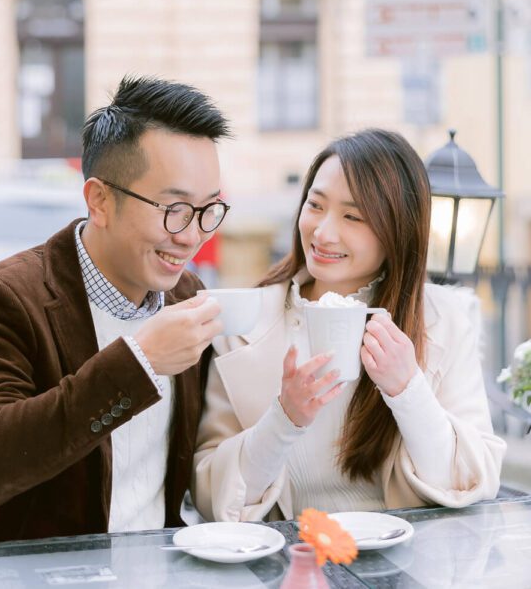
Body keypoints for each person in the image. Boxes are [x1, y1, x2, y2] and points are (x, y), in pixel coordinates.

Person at [0, 75, 231, 546]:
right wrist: (139, 362)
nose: (192, 235)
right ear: (100, 200)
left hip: (156, 568)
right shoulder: (0, 298)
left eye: (208, 209)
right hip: (19, 574)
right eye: (174, 208)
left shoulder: (185, 295)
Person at [193, 128, 505, 523]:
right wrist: (283, 419)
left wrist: (407, 389)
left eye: (352, 216)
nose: (323, 232)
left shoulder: (445, 320)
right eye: (315, 205)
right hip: (288, 564)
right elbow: (208, 493)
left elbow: (471, 480)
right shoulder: (248, 321)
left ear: (396, 230)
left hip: (408, 567)